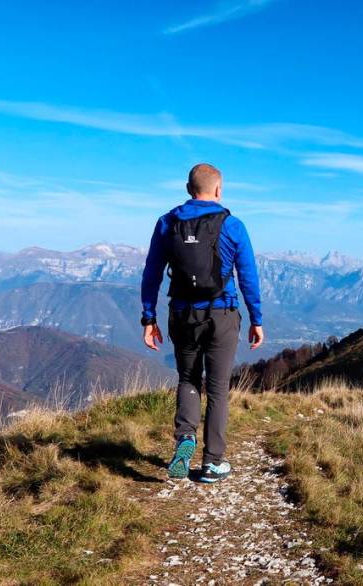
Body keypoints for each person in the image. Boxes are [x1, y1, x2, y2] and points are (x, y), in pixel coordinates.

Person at [140, 163, 264, 483]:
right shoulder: (232, 225)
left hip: (182, 314)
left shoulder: (167, 223)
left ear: (187, 188)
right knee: (218, 388)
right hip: (222, 314)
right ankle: (212, 463)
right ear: (219, 190)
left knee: (188, 379)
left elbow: (152, 273)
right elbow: (248, 276)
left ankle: (185, 438)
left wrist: (149, 318)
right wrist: (256, 319)